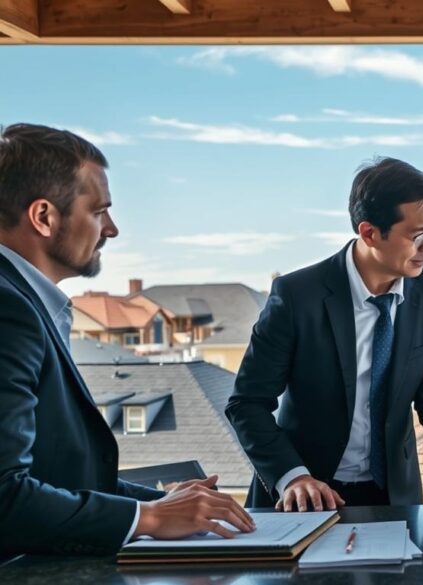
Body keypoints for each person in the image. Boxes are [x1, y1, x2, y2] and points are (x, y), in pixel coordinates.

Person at [0, 124, 254, 556]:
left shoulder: (25, 302)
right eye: (99, 211)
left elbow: (60, 481)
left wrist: (166, 504)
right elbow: (5, 500)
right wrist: (150, 518)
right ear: (44, 217)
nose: (112, 229)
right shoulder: (9, 312)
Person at [226, 157, 423, 512]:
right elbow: (247, 404)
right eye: (417, 235)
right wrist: (293, 477)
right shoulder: (296, 296)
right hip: (305, 497)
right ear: (369, 233)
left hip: (394, 497)